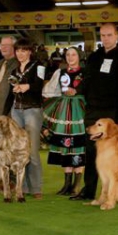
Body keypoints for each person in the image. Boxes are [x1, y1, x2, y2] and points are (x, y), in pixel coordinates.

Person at [70, 23, 118, 201]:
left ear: (116, 36)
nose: (106, 38)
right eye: (103, 35)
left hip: (112, 113)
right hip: (93, 111)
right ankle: (89, 190)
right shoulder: (94, 57)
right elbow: (87, 79)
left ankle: (115, 192)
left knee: (112, 155)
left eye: (109, 35)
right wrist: (76, 90)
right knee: (90, 153)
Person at [42, 47, 86, 197]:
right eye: (68, 55)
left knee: (78, 145)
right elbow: (49, 90)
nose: (70, 57)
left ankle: (76, 185)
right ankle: (67, 184)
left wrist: (78, 92)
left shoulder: (85, 73)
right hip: (63, 110)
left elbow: (89, 89)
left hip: (79, 110)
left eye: (73, 54)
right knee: (64, 145)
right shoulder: (60, 72)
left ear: (79, 56)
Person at [9, 38, 45, 199]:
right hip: (16, 110)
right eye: (18, 50)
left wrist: (26, 86)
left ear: (30, 51)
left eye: (23, 50)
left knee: (32, 150)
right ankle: (21, 187)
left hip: (33, 110)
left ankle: (36, 187)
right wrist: (16, 88)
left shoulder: (39, 66)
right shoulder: (14, 71)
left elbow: (39, 85)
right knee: (18, 151)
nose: (20, 54)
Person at [0, 36, 18, 117]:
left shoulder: (18, 64)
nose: (3, 48)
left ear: (14, 47)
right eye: (2, 45)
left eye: (7, 45)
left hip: (8, 112)